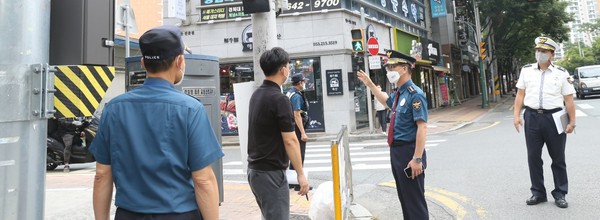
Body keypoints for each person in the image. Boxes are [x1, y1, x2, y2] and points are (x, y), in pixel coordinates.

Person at [89, 25, 224, 220]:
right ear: (179, 61)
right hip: (179, 214)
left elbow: (102, 175)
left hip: (129, 215)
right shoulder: (190, 109)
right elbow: (203, 180)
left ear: (143, 63)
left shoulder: (114, 109)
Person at [357, 49, 429, 219]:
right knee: (405, 198)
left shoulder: (415, 94)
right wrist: (370, 84)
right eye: (388, 68)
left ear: (404, 68)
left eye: (392, 67)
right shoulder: (399, 93)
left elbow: (422, 127)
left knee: (414, 200)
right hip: (397, 152)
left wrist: (417, 158)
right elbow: (385, 100)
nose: (389, 71)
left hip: (409, 152)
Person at [513, 36, 576, 209]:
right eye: (538, 50)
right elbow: (520, 94)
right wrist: (516, 115)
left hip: (555, 118)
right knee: (533, 157)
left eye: (544, 51)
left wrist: (572, 121)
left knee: (558, 158)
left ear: (552, 54)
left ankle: (560, 193)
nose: (540, 54)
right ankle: (538, 193)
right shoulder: (526, 71)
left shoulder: (561, 73)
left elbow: (568, 99)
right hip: (532, 117)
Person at [247, 47, 309, 219]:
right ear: (283, 70)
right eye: (288, 66)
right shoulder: (279, 99)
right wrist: (300, 174)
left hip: (255, 171)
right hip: (271, 175)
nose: (288, 70)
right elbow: (290, 140)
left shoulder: (256, 95)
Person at [286, 74, 310, 173]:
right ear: (300, 83)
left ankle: (293, 181)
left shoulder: (290, 92)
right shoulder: (296, 96)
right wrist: (303, 133)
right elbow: (297, 114)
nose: (304, 83)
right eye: (304, 81)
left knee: (295, 153)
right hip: (297, 127)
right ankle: (297, 182)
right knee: (299, 154)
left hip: (292, 125)